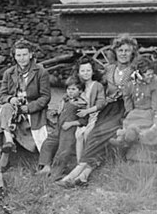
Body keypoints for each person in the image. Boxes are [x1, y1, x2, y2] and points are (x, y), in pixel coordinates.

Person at [57, 34, 138, 187]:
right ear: (115, 52)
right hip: (108, 109)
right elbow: (83, 81)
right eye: (120, 50)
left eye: (127, 51)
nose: (123, 53)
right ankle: (83, 176)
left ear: (132, 53)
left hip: (124, 111)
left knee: (102, 135)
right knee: (93, 134)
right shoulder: (108, 69)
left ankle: (75, 173)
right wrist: (67, 98)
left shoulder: (135, 72)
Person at [0, 39, 51, 160]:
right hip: (14, 108)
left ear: (30, 55)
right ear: (14, 56)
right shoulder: (9, 73)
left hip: (32, 108)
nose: (22, 58)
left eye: (25, 54)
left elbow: (45, 97)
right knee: (5, 108)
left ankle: (43, 159)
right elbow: (2, 95)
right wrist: (10, 99)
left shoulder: (41, 72)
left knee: (40, 134)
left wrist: (29, 108)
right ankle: (8, 141)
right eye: (18, 55)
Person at [36, 75, 87, 177]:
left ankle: (56, 172)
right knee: (48, 144)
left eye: (74, 89)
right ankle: (46, 167)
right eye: (68, 89)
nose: (70, 91)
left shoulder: (81, 104)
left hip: (69, 131)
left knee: (63, 150)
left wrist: (71, 124)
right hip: (58, 128)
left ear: (80, 91)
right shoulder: (66, 100)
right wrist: (56, 113)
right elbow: (62, 112)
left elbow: (84, 120)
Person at [111, 56, 157, 147]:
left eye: (152, 74)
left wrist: (155, 117)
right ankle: (123, 138)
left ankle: (127, 138)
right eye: (148, 75)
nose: (150, 77)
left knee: (136, 125)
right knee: (128, 121)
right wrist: (129, 110)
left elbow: (156, 103)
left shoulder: (154, 85)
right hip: (135, 112)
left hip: (147, 113)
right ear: (139, 75)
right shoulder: (131, 84)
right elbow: (127, 97)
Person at [74, 57, 107, 162]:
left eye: (88, 70)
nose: (85, 73)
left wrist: (87, 111)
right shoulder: (80, 87)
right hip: (84, 117)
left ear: (93, 72)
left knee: (87, 133)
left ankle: (88, 161)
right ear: (79, 73)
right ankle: (79, 162)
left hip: (95, 116)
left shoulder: (97, 85)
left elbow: (101, 104)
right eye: (82, 71)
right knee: (78, 134)